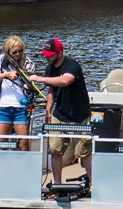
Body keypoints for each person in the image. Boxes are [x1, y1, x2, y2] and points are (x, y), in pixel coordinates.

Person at [29, 38, 92, 185]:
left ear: (60, 53)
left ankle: (93, 185)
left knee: (84, 152)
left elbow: (65, 81)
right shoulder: (49, 68)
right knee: (56, 149)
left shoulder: (72, 66)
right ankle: (58, 184)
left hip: (79, 115)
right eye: (45, 54)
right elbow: (52, 90)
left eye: (50, 54)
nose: (47, 57)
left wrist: (39, 79)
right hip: (60, 114)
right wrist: (48, 110)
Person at [0, 36, 35, 150]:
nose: (18, 54)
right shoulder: (1, 60)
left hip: (21, 108)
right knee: (1, 145)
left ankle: (22, 166)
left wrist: (27, 85)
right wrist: (6, 75)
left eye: (20, 51)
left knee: (23, 145)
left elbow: (31, 87)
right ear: (8, 51)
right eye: (14, 52)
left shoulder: (28, 62)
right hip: (3, 108)